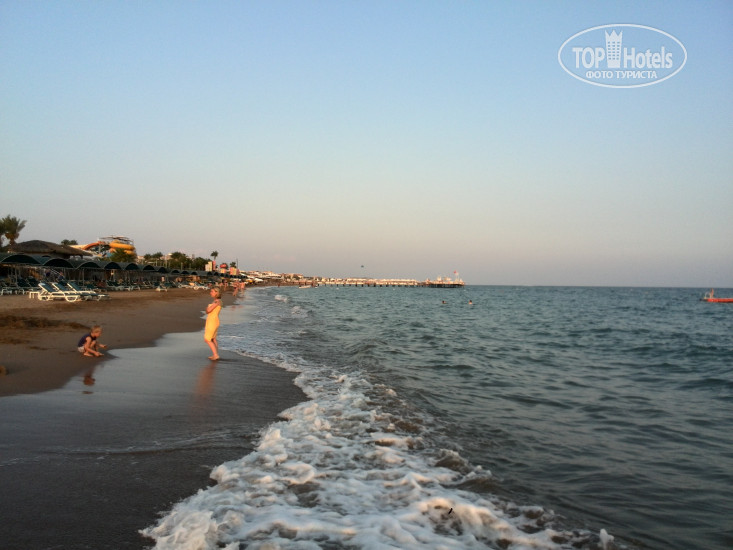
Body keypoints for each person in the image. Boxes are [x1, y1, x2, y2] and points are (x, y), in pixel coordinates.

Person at [204, 287, 222, 360]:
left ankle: (215, 355)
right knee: (213, 338)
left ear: (216, 292)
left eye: (212, 291)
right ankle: (215, 354)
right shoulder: (217, 301)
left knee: (207, 339)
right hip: (214, 320)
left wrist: (207, 308)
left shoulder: (216, 301)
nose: (210, 293)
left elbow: (208, 311)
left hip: (212, 321)